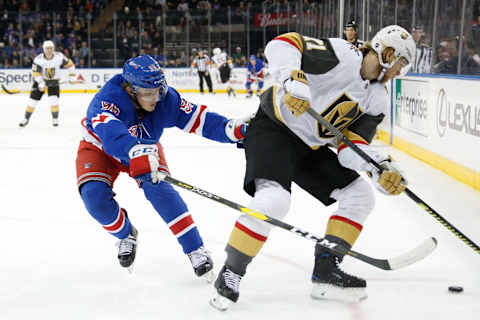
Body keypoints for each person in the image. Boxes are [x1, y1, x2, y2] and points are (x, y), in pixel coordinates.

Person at [210, 25, 415, 310]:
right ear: (388, 53)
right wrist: (292, 80)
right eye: (401, 63)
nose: (400, 71)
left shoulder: (377, 98)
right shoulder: (343, 56)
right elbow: (282, 44)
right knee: (274, 200)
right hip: (274, 128)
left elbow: (350, 148)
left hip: (311, 146)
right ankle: (231, 272)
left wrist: (378, 168)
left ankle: (326, 270)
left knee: (361, 195)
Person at [75, 55, 252, 278]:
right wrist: (135, 151)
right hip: (100, 148)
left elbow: (200, 120)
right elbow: (111, 135)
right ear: (130, 90)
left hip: (144, 148)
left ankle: (195, 248)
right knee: (94, 199)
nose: (156, 98)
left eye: (159, 90)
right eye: (149, 93)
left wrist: (231, 131)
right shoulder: (107, 100)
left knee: (160, 191)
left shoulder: (165, 99)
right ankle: (126, 234)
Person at [19, 40, 76, 127]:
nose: (49, 50)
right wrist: (40, 82)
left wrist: (72, 76)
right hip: (40, 81)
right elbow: (35, 72)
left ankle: (55, 119)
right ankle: (26, 119)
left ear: (53, 48)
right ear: (43, 49)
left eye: (50, 48)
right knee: (32, 102)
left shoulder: (59, 56)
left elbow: (70, 65)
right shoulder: (38, 59)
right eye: (47, 48)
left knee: (54, 101)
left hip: (54, 82)